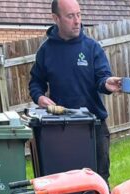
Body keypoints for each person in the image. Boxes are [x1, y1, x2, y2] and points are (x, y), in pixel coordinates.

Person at [29, 0, 123, 181]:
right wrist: (40, 97)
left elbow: (102, 78)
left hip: (93, 126)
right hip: (62, 128)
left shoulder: (92, 47)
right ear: (55, 18)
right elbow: (36, 83)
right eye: (70, 16)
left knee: (99, 180)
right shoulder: (46, 51)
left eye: (79, 15)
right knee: (67, 181)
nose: (77, 21)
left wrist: (107, 83)